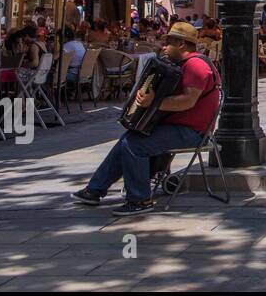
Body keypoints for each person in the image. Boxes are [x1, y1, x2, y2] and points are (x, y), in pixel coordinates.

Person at [71, 22, 221, 216]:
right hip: (180, 127)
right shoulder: (185, 64)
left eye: (169, 43)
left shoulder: (196, 66)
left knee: (135, 145)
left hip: (193, 132)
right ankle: (95, 190)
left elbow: (187, 101)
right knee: (128, 138)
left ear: (182, 44)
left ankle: (140, 199)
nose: (164, 47)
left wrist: (153, 102)